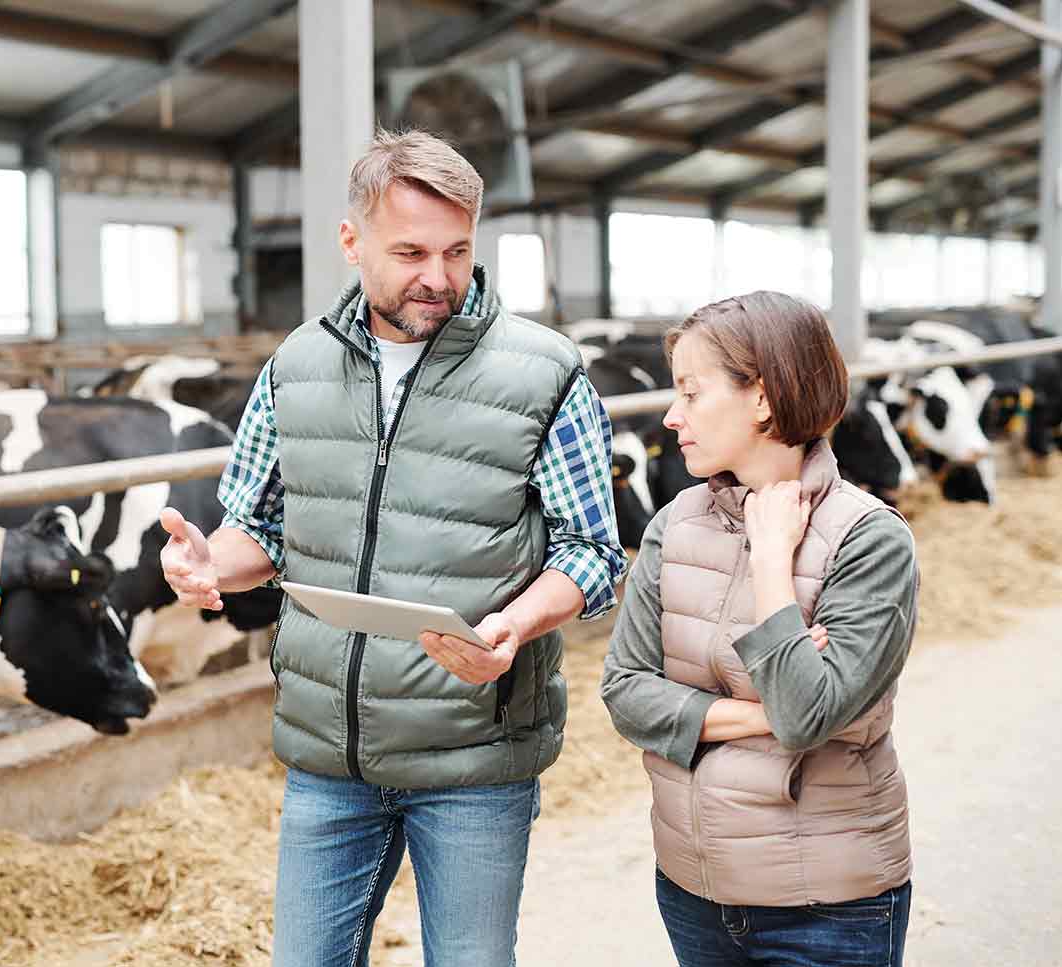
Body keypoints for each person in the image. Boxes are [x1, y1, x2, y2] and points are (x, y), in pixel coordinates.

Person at [159, 128, 625, 966]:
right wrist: (208, 565)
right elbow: (258, 529)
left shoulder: (545, 372)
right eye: (409, 250)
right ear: (351, 241)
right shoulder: (294, 367)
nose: (438, 277)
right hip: (326, 754)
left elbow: (593, 551)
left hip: (473, 752)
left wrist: (513, 627)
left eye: (456, 250)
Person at [601, 291, 919, 966]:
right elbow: (625, 693)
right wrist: (757, 711)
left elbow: (805, 715)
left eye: (690, 393)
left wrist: (773, 563)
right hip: (692, 888)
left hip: (829, 907)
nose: (670, 415)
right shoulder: (673, 524)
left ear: (763, 399)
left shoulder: (870, 539)